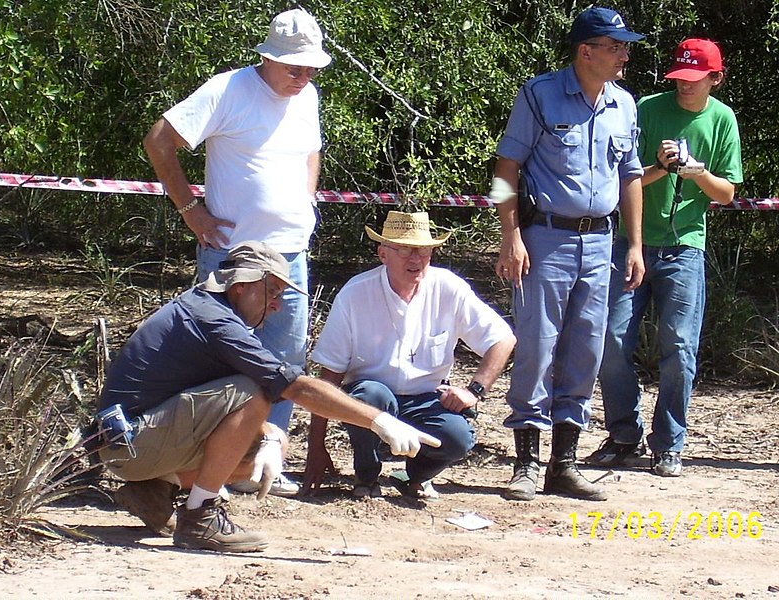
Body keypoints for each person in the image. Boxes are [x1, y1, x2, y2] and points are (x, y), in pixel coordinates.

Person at [96, 241, 440, 553]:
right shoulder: (215, 321)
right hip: (131, 445)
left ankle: (156, 488)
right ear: (241, 287)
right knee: (256, 391)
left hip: (133, 443)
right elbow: (293, 386)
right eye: (272, 292)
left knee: (270, 440)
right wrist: (379, 420)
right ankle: (200, 515)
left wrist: (270, 437)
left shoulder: (208, 309)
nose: (276, 306)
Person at [142, 8, 331, 496]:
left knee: (285, 359)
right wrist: (191, 209)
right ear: (267, 58)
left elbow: (311, 149)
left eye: (310, 68)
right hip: (234, 257)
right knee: (220, 359)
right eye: (294, 67)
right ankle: (212, 466)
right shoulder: (227, 90)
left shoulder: (307, 95)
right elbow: (160, 140)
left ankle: (266, 463)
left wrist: (306, 196)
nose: (303, 77)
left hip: (291, 253)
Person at [489, 7, 646, 502]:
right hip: (545, 239)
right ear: (586, 51)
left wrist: (635, 244)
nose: (624, 54)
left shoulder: (624, 104)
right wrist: (509, 236)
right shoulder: (539, 95)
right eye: (615, 45)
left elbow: (631, 176)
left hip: (600, 242)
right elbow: (505, 166)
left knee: (587, 348)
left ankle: (564, 462)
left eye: (625, 45)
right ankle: (526, 462)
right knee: (536, 345)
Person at [591, 39, 743, 477]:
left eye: (695, 80)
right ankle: (623, 434)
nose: (685, 87)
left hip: (686, 247)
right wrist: (659, 165)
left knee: (678, 346)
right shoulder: (648, 107)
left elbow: (728, 193)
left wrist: (698, 173)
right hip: (631, 242)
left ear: (716, 78)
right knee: (612, 340)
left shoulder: (722, 119)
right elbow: (627, 178)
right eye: (679, 79)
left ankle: (669, 443)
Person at [301, 211, 516, 499]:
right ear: (383, 254)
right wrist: (316, 447)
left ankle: (415, 476)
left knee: (459, 437)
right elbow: (329, 376)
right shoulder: (355, 294)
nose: (415, 259)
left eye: (424, 251)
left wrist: (474, 390)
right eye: (404, 250)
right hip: (371, 400)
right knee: (369, 395)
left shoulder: (448, 287)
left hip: (426, 398)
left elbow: (502, 338)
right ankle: (366, 476)